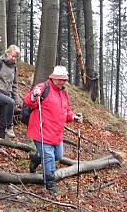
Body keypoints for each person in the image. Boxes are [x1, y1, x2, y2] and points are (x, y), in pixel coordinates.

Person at [24, 65, 83, 195]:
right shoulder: (43, 87)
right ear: (53, 77)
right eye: (59, 79)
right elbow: (29, 100)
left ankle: (36, 158)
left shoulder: (64, 93)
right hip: (41, 131)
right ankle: (51, 186)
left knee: (58, 156)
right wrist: (34, 95)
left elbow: (66, 111)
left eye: (63, 79)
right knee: (49, 157)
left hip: (56, 132)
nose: (61, 82)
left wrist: (73, 117)